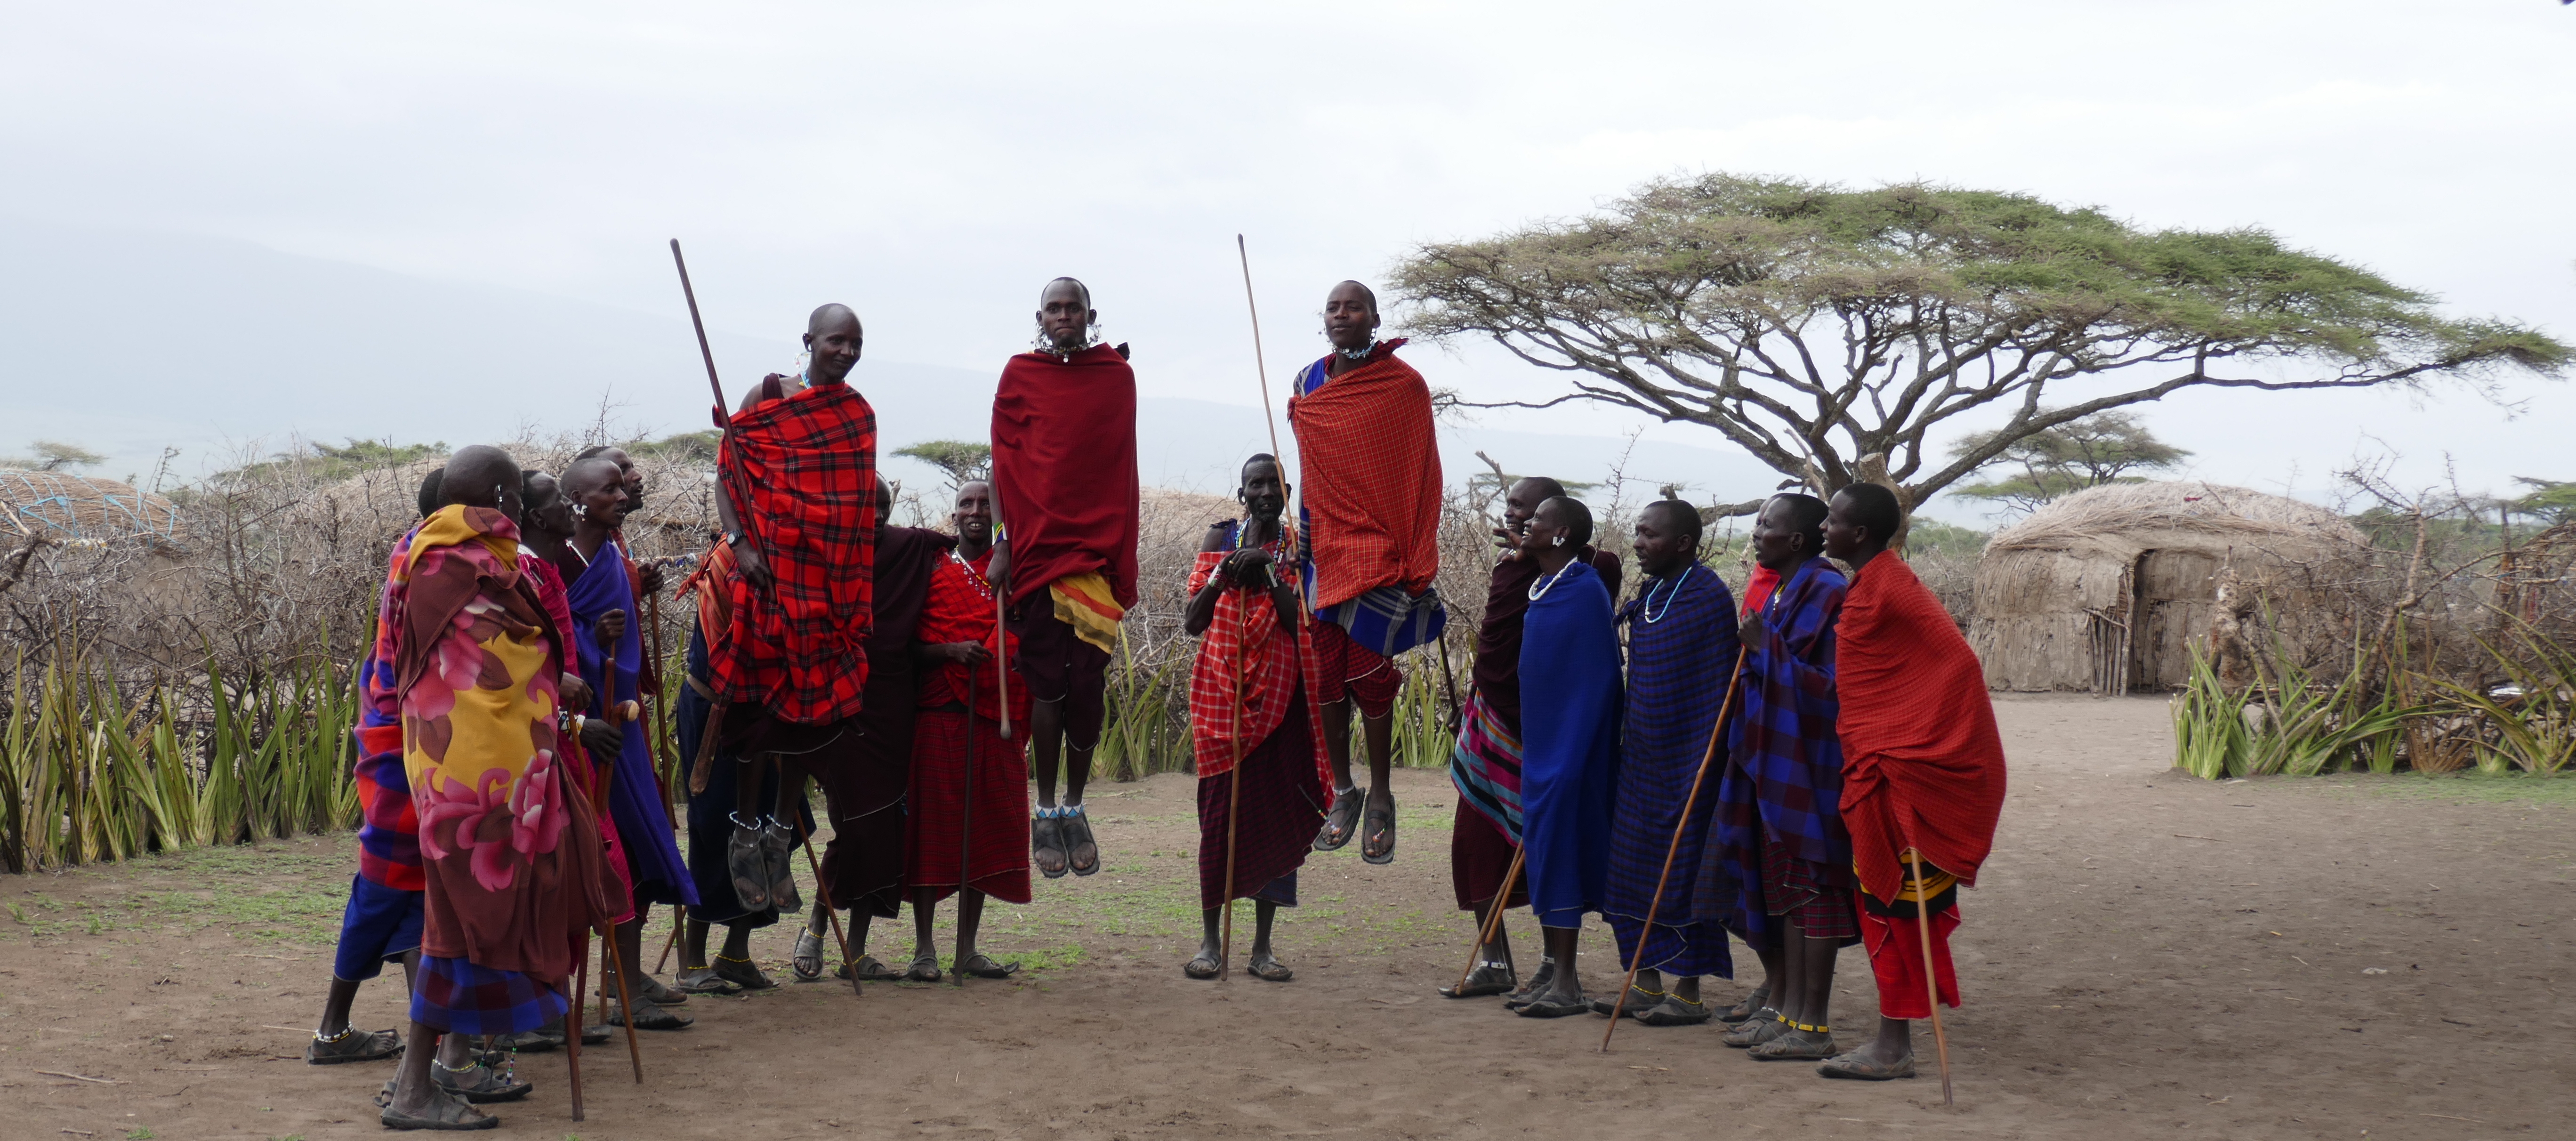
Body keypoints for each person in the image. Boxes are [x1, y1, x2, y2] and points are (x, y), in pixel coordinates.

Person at [377, 445, 614, 1130]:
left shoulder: (415, 556)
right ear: (506, 500)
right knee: (463, 925)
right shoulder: (478, 563)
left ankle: (433, 1072)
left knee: (459, 923)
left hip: (438, 765)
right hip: (485, 779)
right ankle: (416, 1089)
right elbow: (508, 665)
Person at [1816, 483, 2008, 1081]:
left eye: (1834, 520)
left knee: (1900, 909)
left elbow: (1958, 664)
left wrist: (1911, 738)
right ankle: (1890, 1040)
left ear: (1861, 534)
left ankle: (1893, 1046)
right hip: (1875, 768)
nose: (1826, 527)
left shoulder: (1894, 587)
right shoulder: (1865, 586)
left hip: (1907, 776)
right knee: (1880, 904)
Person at [700, 303, 877, 934]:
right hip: (767, 574)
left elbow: (853, 507)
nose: (847, 352)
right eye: (837, 341)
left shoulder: (857, 415)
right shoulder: (771, 394)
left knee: (814, 712)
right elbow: (729, 471)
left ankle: (780, 827)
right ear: (809, 341)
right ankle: (745, 826)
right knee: (759, 704)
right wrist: (740, 544)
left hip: (827, 584)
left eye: (856, 344)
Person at [1441, 476, 1622, 1001]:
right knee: (1474, 844)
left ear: (1558, 526)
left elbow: (1595, 671)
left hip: (1553, 740)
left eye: (1529, 512)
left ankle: (1556, 969)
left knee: (1551, 847)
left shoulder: (1584, 577)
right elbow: (1502, 653)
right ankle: (1497, 960)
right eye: (1513, 509)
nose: (1515, 519)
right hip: (1496, 723)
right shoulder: (1528, 576)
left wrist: (1570, 747)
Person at [1286, 281, 1444, 864]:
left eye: (1354, 306)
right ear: (1323, 318)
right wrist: (1302, 540)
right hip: (1325, 544)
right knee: (1325, 678)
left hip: (1378, 548)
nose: (1342, 314)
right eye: (1333, 306)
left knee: (1371, 676)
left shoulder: (1403, 386)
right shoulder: (1309, 383)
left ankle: (1381, 792)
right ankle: (1344, 790)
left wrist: (1413, 549)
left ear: (1375, 318)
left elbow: (1418, 470)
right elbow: (1311, 469)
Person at [990, 277, 1138, 880]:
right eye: (1054, 308)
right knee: (1046, 688)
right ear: (1040, 316)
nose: (1064, 315)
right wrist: (1003, 539)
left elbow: (1116, 463)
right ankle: (1044, 807)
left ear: (1090, 314)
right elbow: (1004, 460)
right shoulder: (1019, 375)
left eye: (1072, 307)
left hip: (1095, 554)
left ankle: (1077, 805)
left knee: (1088, 690)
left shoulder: (1115, 377)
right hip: (1035, 553)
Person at [1698, 492, 1853, 1061]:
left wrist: (1768, 651)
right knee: (1784, 890)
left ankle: (1814, 1025)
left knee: (1814, 886)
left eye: (1767, 525)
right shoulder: (1786, 589)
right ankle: (1787, 1011)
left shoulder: (1828, 591)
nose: (1756, 532)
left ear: (1797, 539)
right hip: (1770, 759)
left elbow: (1833, 688)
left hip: (1808, 764)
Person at [789, 481, 954, 981]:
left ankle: (854, 949)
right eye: (867, 507)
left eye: (884, 508)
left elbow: (965, 543)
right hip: (841, 706)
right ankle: (818, 926)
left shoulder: (910, 547)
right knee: (854, 825)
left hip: (893, 705)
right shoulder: (824, 554)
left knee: (883, 829)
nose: (877, 517)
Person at [555, 456, 700, 1030]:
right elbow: (548, 639)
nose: (621, 495)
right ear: (574, 501)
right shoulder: (558, 562)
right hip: (585, 730)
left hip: (625, 719)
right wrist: (592, 635)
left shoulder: (612, 550)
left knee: (641, 840)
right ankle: (616, 988)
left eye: (621, 486)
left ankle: (627, 977)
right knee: (612, 849)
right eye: (607, 489)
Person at [1179, 455, 1328, 980]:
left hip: (1279, 702)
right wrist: (1225, 573)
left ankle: (1262, 947)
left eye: (1274, 483)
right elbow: (1193, 621)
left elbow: (1302, 623)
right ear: (1241, 493)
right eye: (1255, 484)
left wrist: (1268, 574)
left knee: (1274, 817)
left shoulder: (1297, 548)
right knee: (1219, 821)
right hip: (1219, 701)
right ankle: (1210, 941)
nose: (1265, 491)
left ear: (1286, 491)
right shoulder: (1218, 540)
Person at [1597, 499, 1742, 1026]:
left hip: (1691, 763)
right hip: (1641, 760)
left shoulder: (1707, 597)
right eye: (1637, 532)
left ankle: (1688, 993)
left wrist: (1705, 760)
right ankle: (1646, 982)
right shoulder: (1653, 594)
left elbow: (1715, 688)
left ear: (1683, 543)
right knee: (1629, 870)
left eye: (1649, 534)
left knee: (1681, 872)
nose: (1638, 542)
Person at [901, 479, 1033, 981]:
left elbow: (1030, 631)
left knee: (983, 831)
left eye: (985, 504)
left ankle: (967, 948)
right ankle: (924, 949)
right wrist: (951, 652)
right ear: (953, 515)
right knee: (933, 832)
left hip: (996, 717)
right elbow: (907, 645)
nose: (975, 511)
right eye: (966, 504)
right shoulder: (931, 569)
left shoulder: (1014, 572)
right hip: (939, 715)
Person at [1502, 496, 1623, 1018]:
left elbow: (1601, 681)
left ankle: (1568, 982)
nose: (1526, 524)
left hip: (1572, 751)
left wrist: (1576, 755)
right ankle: (1555, 972)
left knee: (1565, 848)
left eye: (1538, 521)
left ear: (1562, 534)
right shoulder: (1543, 584)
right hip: (1543, 745)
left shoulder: (1585, 590)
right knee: (1546, 850)